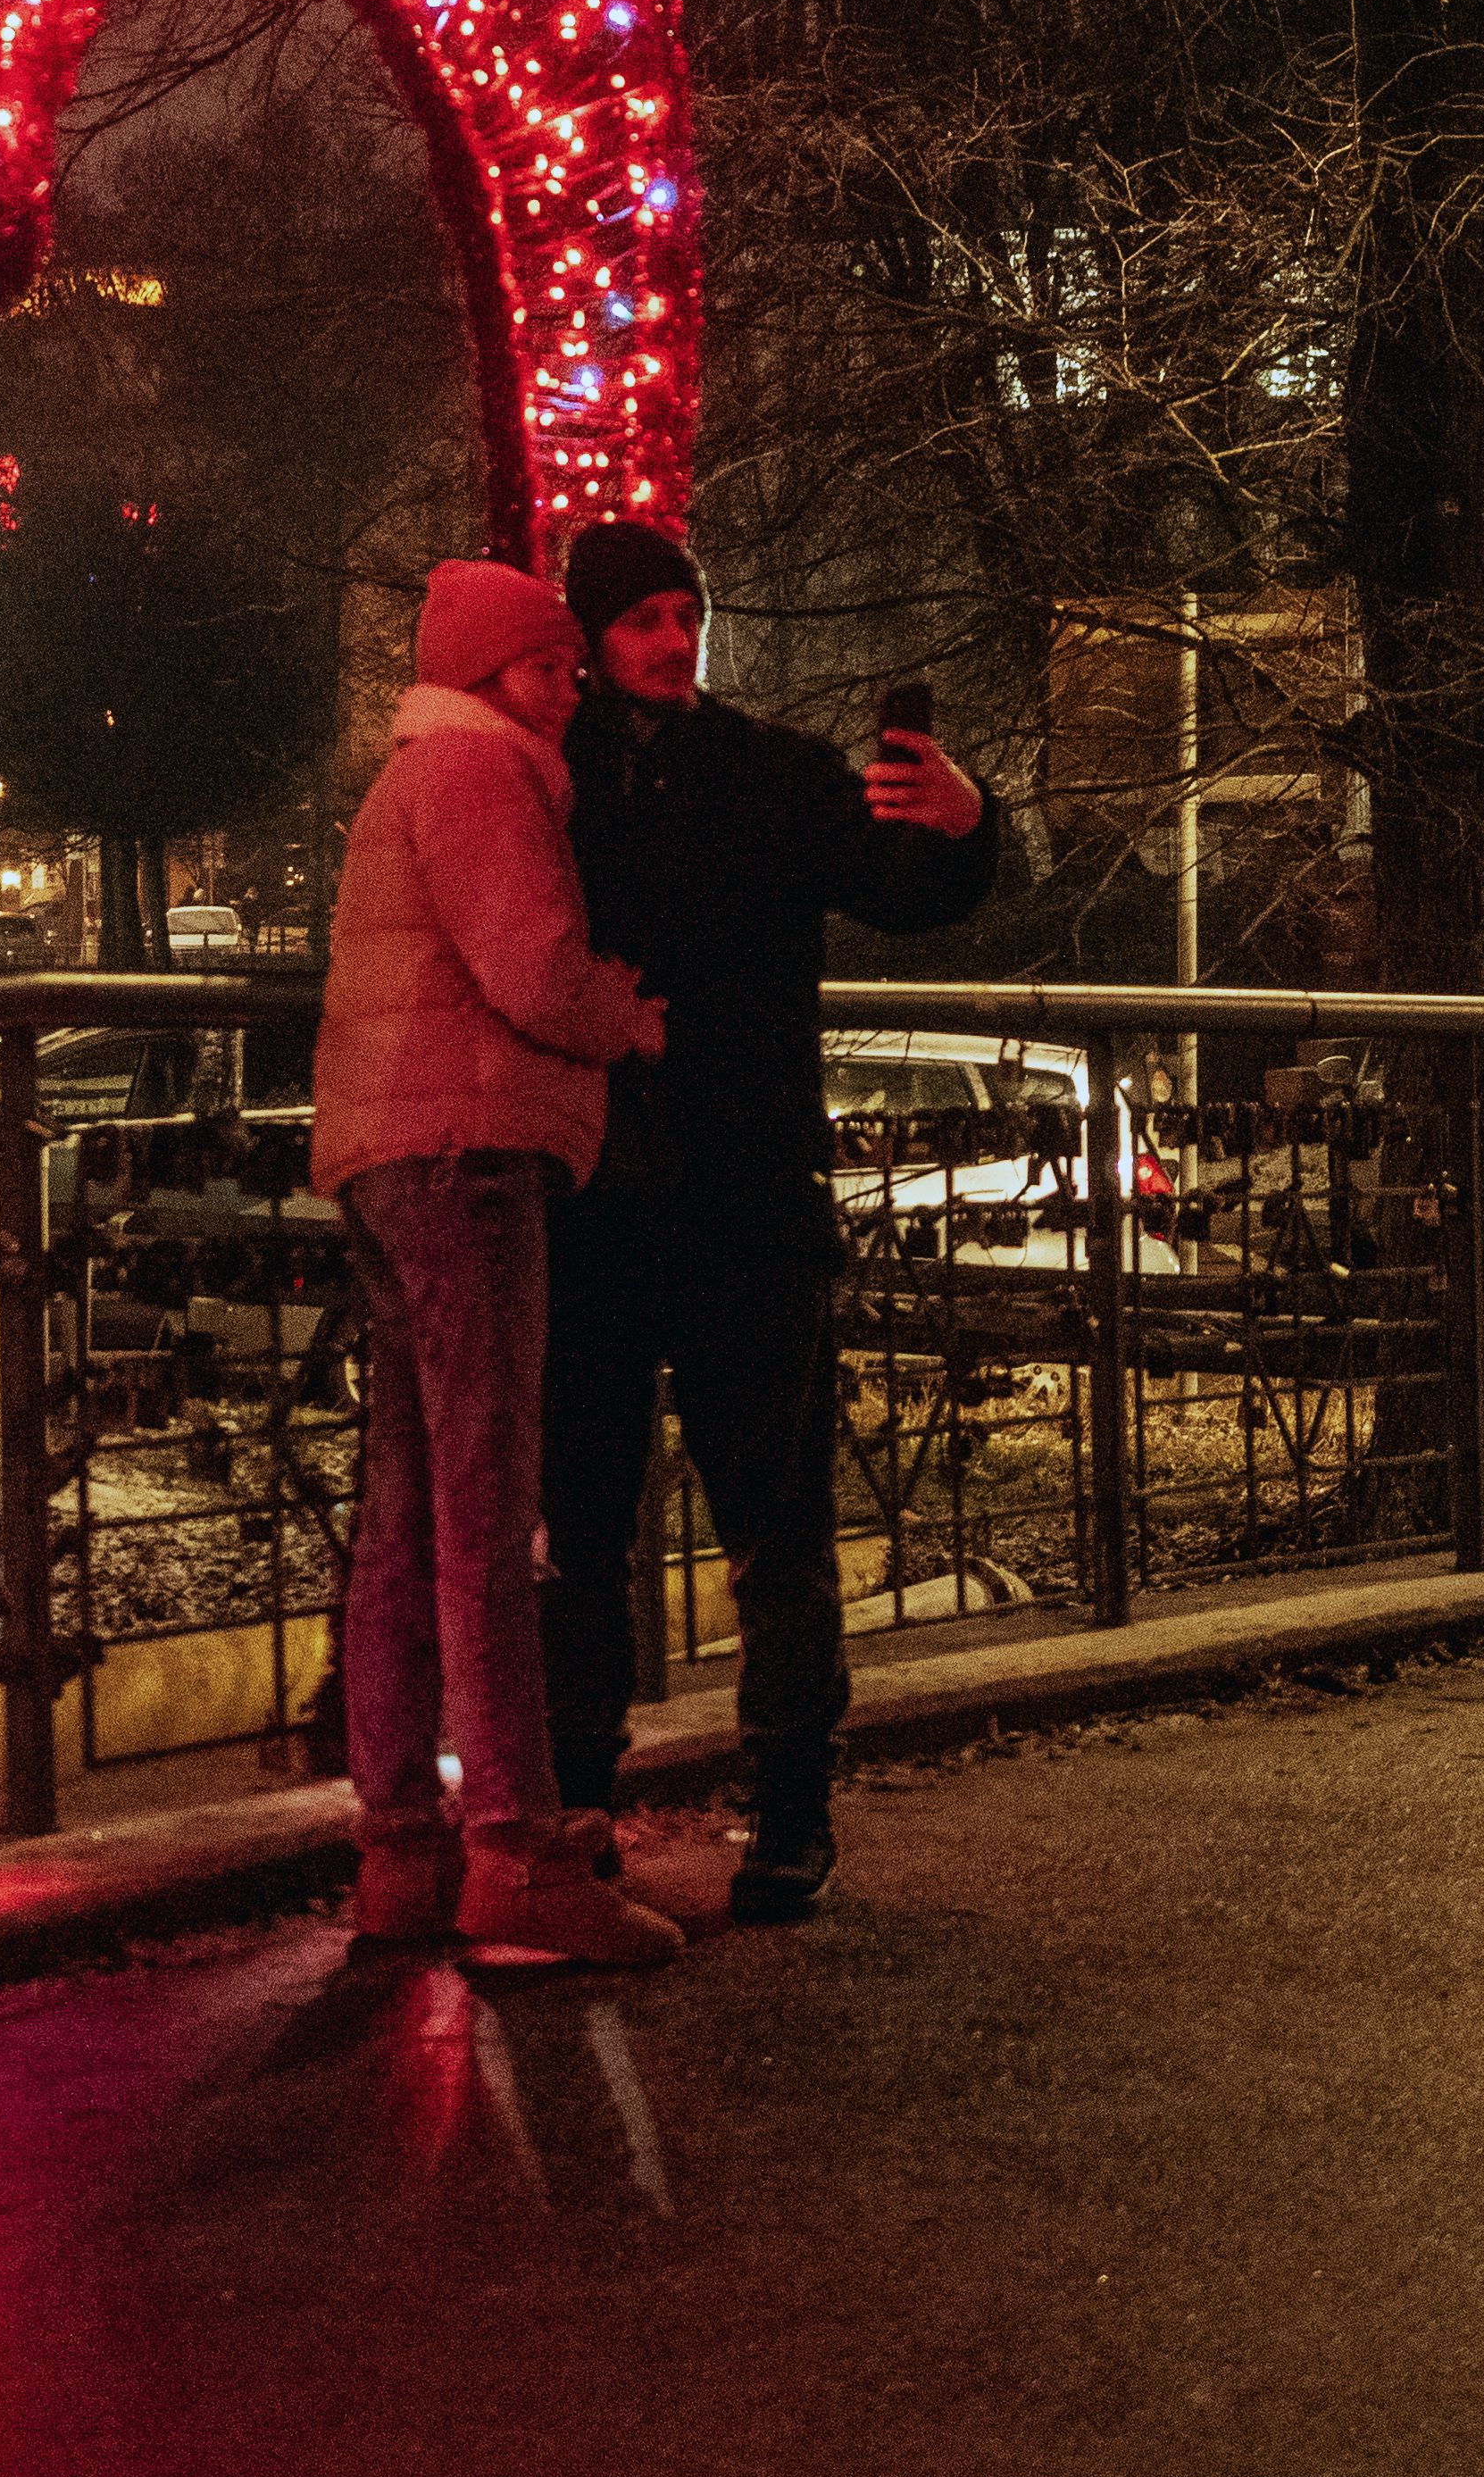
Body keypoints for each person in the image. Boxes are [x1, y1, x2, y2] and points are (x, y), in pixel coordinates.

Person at [543, 519, 1002, 1924]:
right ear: (592, 639)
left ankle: (787, 1807)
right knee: (584, 1524)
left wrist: (967, 821)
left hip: (735, 1201)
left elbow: (908, 892)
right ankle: (577, 1808)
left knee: (774, 1527)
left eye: (686, 615)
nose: (674, 641)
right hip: (608, 1203)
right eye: (645, 622)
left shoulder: (764, 772)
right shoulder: (540, 779)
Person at [313, 558, 683, 1968]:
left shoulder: (414, 777)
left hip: (395, 1156)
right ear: (484, 675)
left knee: (406, 1516)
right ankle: (517, 1858)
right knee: (487, 1515)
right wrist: (625, 1015)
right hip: (467, 1159)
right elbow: (531, 968)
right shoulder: (482, 777)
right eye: (548, 668)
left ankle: (401, 1847)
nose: (570, 688)